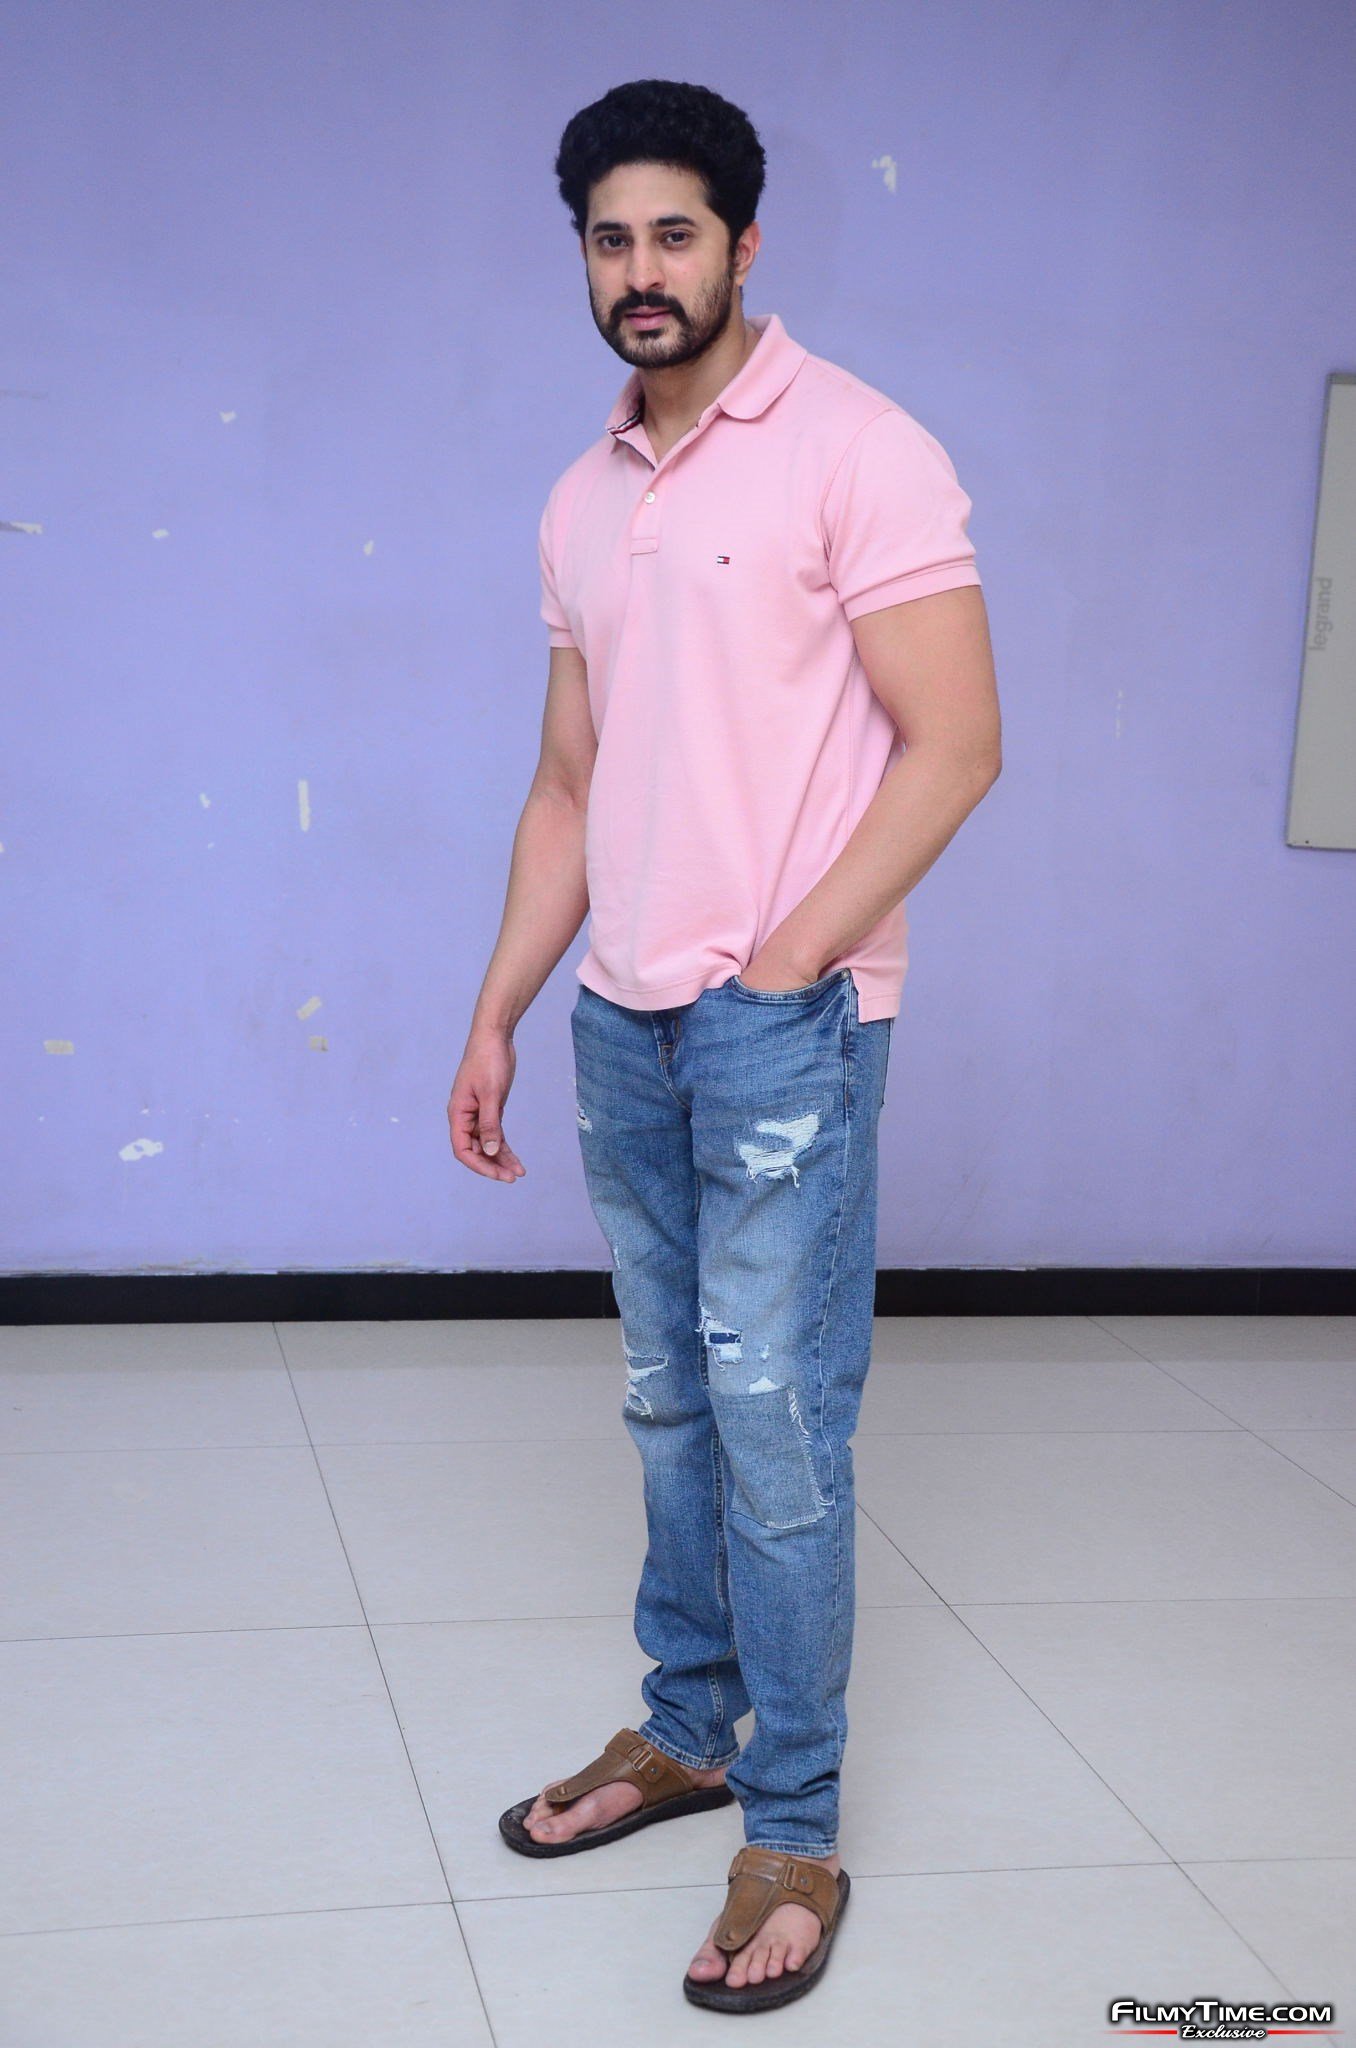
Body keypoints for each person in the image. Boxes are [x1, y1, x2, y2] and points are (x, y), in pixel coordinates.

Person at [448, 77, 1002, 2015]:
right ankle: (688, 1728)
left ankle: (798, 1821)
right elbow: (568, 783)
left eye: (674, 234)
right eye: (610, 238)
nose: (642, 270)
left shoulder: (861, 449)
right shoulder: (583, 496)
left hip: (782, 1023)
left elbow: (958, 745)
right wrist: (501, 1005)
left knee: (776, 1423)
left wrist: (785, 960)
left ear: (745, 246)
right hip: (622, 1025)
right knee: (669, 1403)